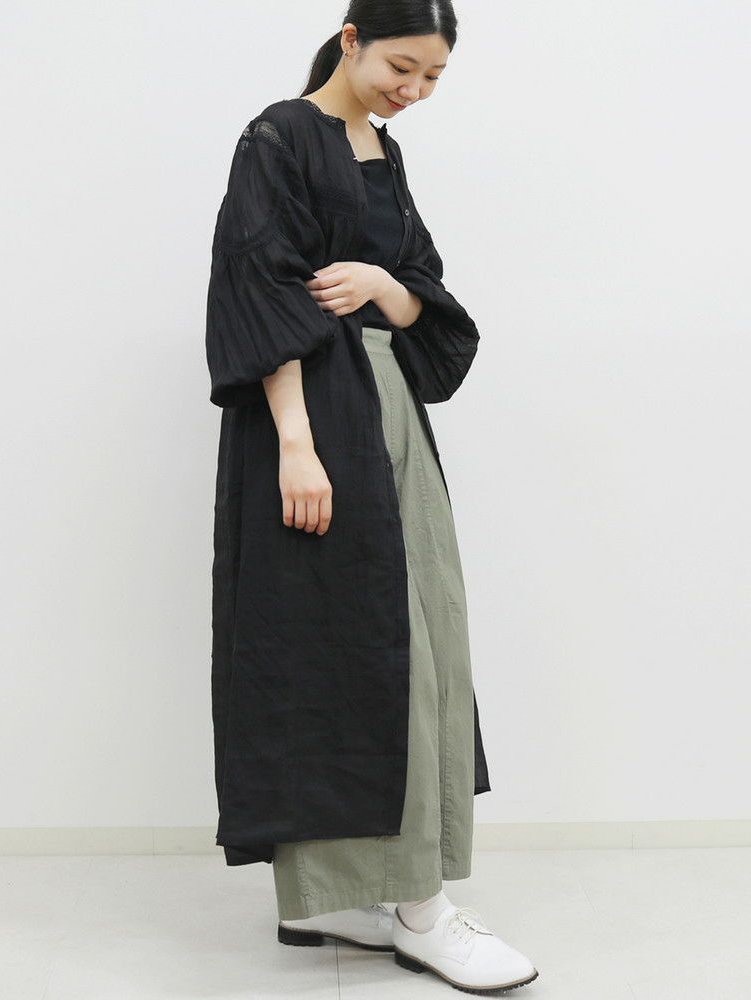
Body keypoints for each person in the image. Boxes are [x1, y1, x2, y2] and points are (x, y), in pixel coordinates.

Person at [205, 1, 538, 992]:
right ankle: (415, 911)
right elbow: (257, 282)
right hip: (315, 418)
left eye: (433, 76)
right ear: (350, 39)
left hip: (391, 416)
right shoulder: (278, 137)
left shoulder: (383, 153)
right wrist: (296, 446)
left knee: (418, 641)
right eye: (402, 66)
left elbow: (417, 287)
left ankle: (361, 895)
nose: (415, 90)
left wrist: (384, 287)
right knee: (341, 647)